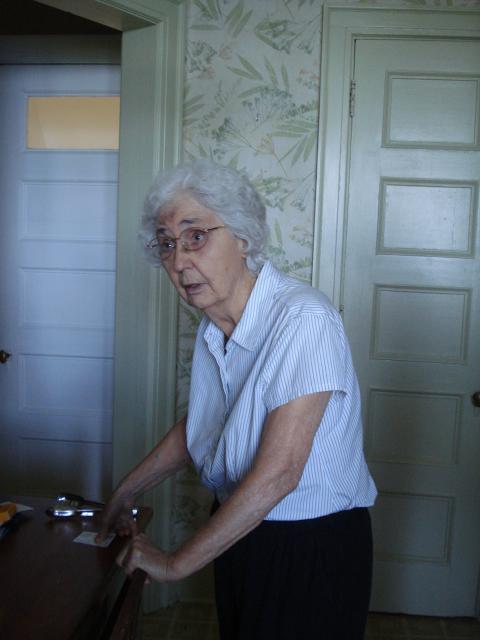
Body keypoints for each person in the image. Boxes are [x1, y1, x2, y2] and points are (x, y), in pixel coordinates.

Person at [97, 159, 377, 640]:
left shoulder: (303, 319)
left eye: (195, 237)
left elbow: (281, 473)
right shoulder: (214, 328)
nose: (178, 262)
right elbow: (203, 427)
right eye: (167, 244)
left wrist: (175, 563)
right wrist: (126, 491)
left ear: (243, 237)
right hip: (241, 526)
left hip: (309, 544)